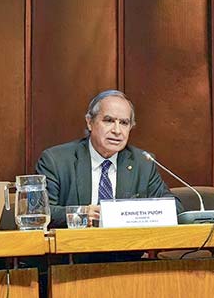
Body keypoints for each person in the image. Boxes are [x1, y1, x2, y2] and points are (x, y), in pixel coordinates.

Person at [36, 89, 183, 228]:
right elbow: (39, 212)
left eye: (124, 123)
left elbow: (174, 208)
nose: (117, 131)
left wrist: (134, 213)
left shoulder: (142, 163)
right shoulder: (56, 160)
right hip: (73, 251)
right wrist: (82, 214)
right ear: (89, 122)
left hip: (126, 252)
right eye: (109, 120)